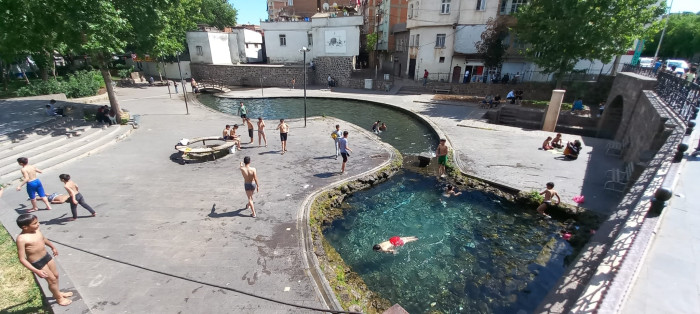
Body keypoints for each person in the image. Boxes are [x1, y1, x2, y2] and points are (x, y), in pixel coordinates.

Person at [15, 214, 73, 306]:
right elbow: (22, 259)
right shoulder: (21, 239)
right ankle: (59, 298)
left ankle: (57, 293)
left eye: (37, 222)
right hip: (37, 262)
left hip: (46, 256)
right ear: (25, 227)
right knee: (52, 280)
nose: (38, 224)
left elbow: (43, 239)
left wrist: (52, 247)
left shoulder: (36, 230)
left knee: (56, 276)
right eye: (35, 223)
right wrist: (37, 271)